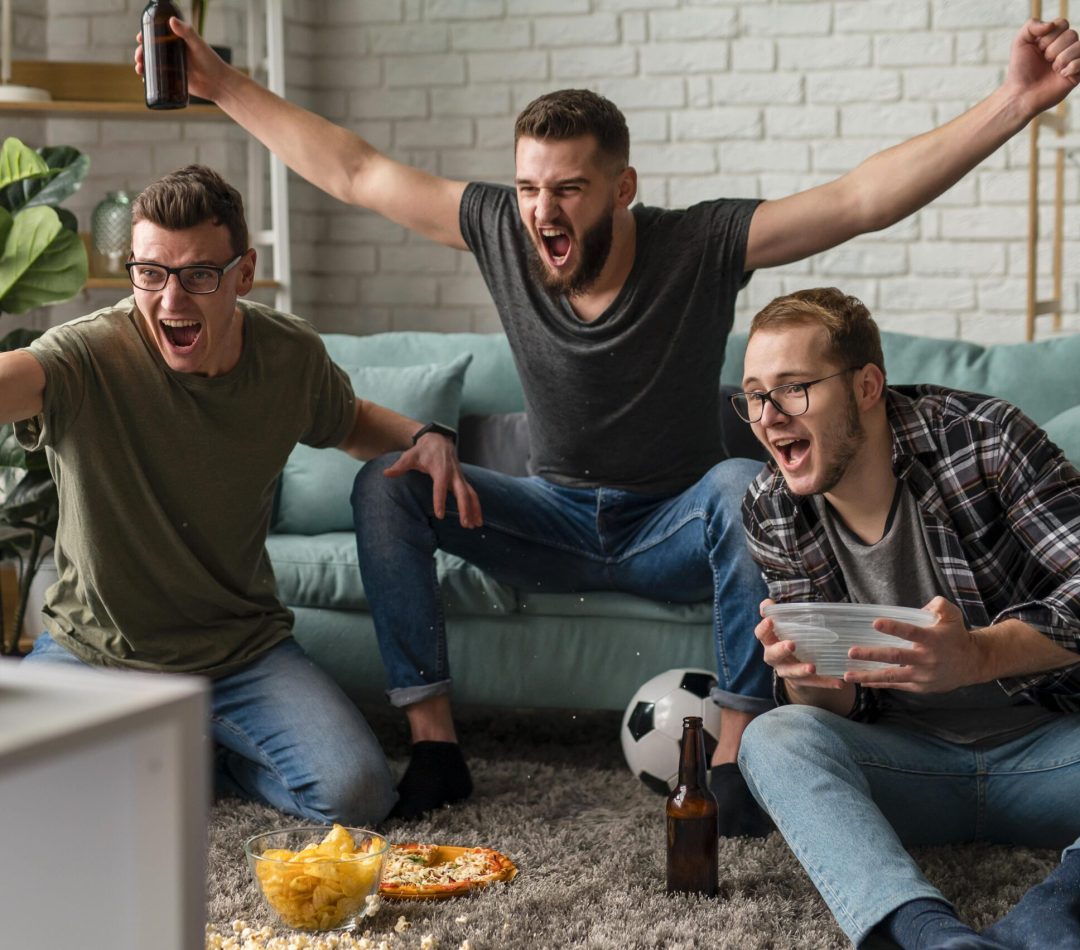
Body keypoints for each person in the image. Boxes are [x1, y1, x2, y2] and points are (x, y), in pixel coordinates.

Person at [136, 17, 1080, 832]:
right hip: (549, 517)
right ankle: (435, 749)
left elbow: (859, 199)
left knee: (737, 486)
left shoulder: (698, 244)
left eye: (568, 189)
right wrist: (220, 84)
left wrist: (1015, 102)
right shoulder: (503, 229)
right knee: (386, 488)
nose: (541, 210)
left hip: (670, 523)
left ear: (622, 188)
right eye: (529, 188)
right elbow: (354, 169)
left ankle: (731, 762)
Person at [17, 165, 481, 828]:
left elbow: (348, 420)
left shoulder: (287, 355)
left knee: (356, 797)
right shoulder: (86, 355)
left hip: (238, 653)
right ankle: (173, 751)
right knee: (31, 796)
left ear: (244, 273)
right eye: (150, 273)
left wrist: (423, 436)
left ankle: (197, 754)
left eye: (199, 274)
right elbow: (18, 377)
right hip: (97, 650)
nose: (170, 299)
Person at [734, 287, 1080, 949]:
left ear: (867, 386)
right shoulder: (770, 504)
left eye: (793, 388)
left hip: (1053, 751)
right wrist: (807, 679)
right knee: (774, 738)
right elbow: (844, 707)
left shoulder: (985, 440)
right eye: (753, 395)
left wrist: (978, 655)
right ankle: (932, 938)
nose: (768, 416)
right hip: (907, 767)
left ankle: (1046, 922)